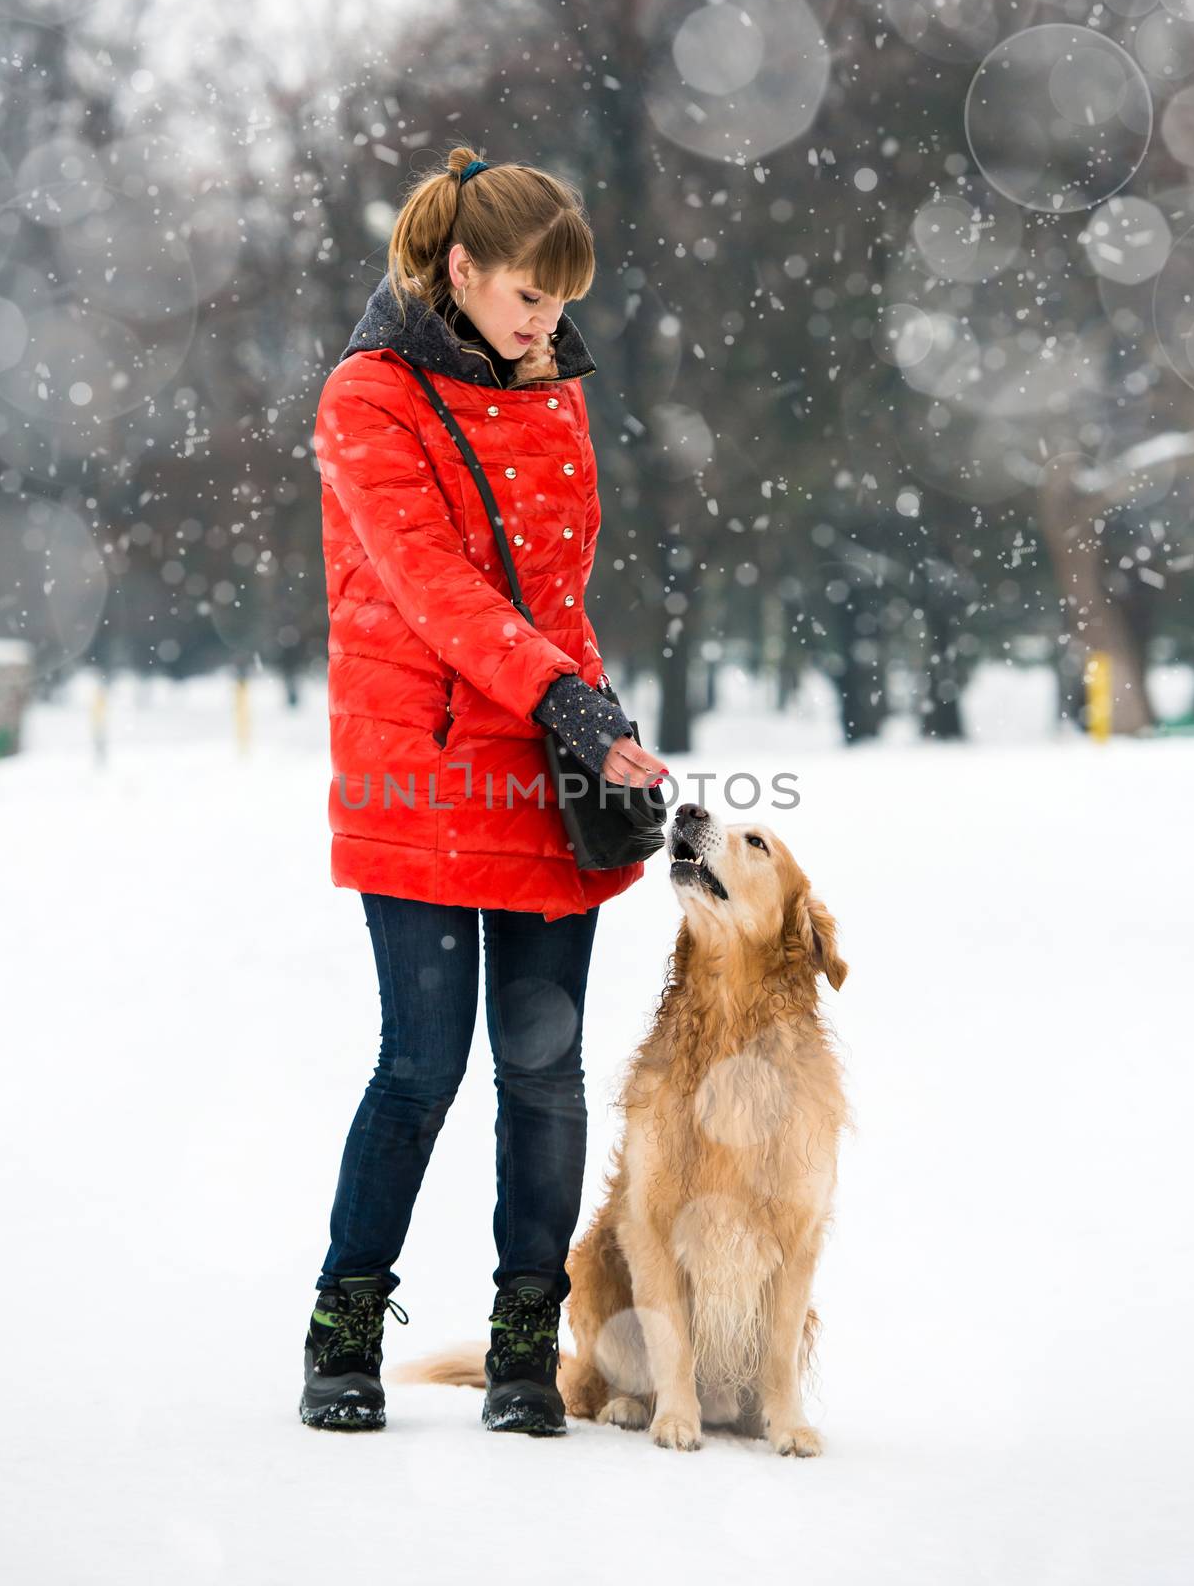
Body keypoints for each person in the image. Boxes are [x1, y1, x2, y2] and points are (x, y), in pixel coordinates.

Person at [304, 148, 669, 1436]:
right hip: (417, 768)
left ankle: (526, 1344)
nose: (545, 327)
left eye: (561, 306)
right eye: (526, 299)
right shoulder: (369, 398)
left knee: (546, 1072)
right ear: (459, 271)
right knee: (419, 1065)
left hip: (541, 770)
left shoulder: (552, 391)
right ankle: (343, 1325)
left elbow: (555, 598)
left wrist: (603, 729)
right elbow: (434, 587)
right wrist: (560, 693)